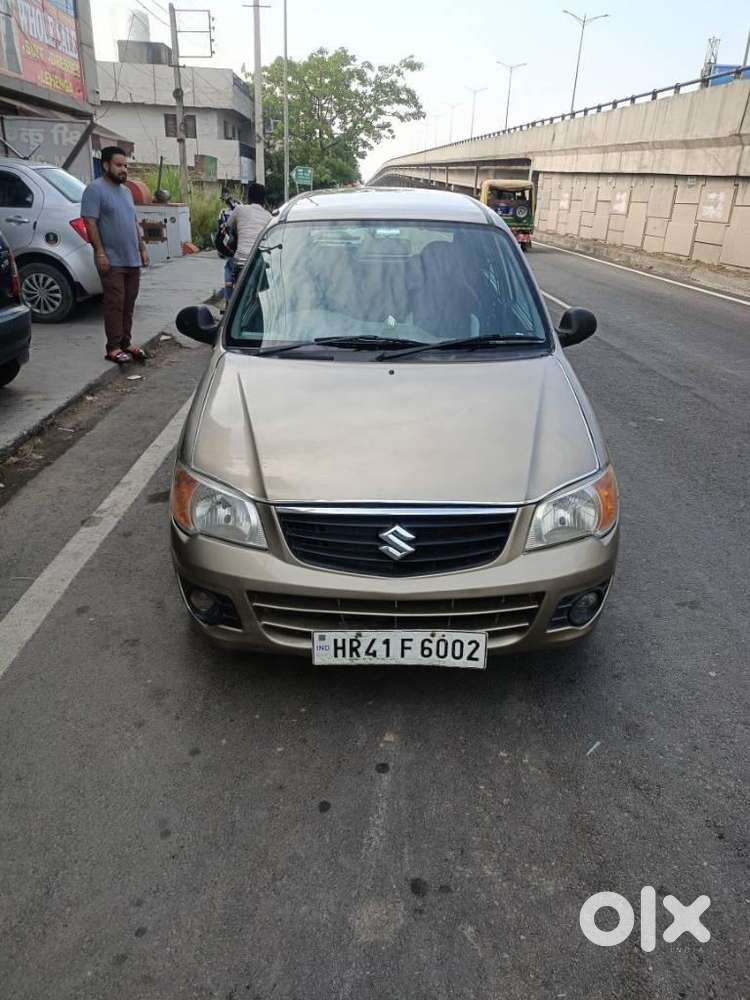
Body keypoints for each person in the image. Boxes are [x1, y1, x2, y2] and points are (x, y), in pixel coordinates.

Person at [82, 147, 150, 365]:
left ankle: (126, 343)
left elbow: (132, 223)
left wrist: (142, 248)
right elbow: (90, 222)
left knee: (129, 303)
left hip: (132, 258)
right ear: (106, 165)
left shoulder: (127, 192)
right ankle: (113, 347)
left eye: (126, 166)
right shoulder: (95, 189)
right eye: (119, 165)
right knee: (115, 303)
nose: (124, 170)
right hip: (111, 260)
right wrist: (99, 252)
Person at [224, 182, 271, 297]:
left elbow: (228, 226)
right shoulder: (269, 217)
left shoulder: (239, 210)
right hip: (258, 263)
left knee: (229, 265)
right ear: (263, 199)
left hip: (241, 262)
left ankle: (229, 300)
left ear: (248, 197)